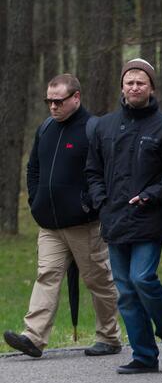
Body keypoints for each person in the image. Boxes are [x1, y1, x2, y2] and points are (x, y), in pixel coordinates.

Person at [3, 74, 121, 359]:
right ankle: (33, 337)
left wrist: (89, 205)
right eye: (49, 101)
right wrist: (36, 201)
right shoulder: (45, 128)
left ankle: (109, 337)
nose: (53, 107)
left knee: (98, 281)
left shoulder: (94, 129)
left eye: (59, 101)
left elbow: (107, 173)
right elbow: (33, 168)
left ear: (76, 98)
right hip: (50, 224)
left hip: (84, 224)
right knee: (47, 275)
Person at [86, 58, 162, 374]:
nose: (134, 87)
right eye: (129, 82)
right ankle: (144, 356)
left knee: (142, 278)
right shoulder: (104, 126)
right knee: (126, 291)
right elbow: (92, 171)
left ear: (151, 88)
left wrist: (150, 195)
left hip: (147, 217)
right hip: (114, 219)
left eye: (141, 82)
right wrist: (101, 201)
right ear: (122, 86)